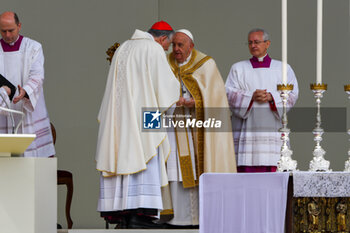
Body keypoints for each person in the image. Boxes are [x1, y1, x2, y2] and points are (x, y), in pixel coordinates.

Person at [95, 21, 180, 229]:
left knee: (122, 158)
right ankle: (139, 215)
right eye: (167, 45)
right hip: (146, 114)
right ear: (162, 39)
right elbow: (167, 88)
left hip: (118, 117)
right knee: (146, 155)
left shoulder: (123, 47)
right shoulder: (153, 49)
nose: (166, 49)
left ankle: (123, 215)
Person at [165, 29, 236, 227]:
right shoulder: (165, 63)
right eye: (174, 45)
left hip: (197, 128)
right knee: (173, 170)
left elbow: (217, 99)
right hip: (172, 126)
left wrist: (195, 101)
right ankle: (173, 217)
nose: (176, 49)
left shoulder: (206, 64)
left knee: (196, 167)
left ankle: (197, 218)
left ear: (191, 46)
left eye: (181, 45)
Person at [225, 28, 299, 173]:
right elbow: (228, 94)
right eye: (250, 42)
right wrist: (250, 97)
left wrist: (272, 97)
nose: (253, 45)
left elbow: (292, 94)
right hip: (246, 132)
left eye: (257, 42)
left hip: (272, 130)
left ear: (267, 43)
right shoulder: (238, 68)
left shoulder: (283, 68)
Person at [0, 11, 55, 157]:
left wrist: (25, 91)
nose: (7, 35)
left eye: (11, 30)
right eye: (3, 31)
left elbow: (37, 76)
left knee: (31, 164)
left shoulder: (33, 47)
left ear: (19, 26)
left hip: (27, 109)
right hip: (3, 111)